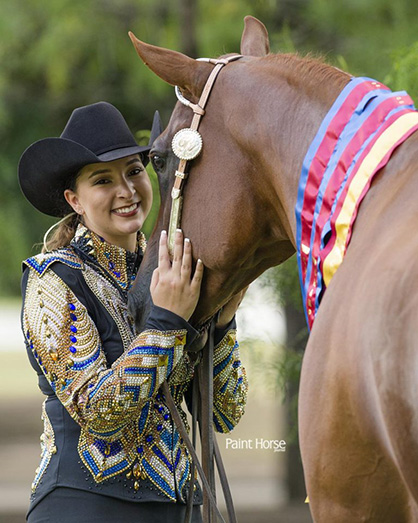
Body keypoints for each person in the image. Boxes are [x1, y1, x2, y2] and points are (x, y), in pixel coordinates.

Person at [18, 101, 248, 523]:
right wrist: (167, 324)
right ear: (75, 200)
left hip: (181, 507)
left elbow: (225, 413)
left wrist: (224, 321)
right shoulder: (52, 280)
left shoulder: (177, 271)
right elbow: (97, 412)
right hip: (84, 507)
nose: (125, 190)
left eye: (134, 171)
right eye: (103, 180)